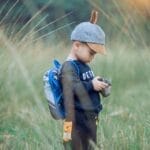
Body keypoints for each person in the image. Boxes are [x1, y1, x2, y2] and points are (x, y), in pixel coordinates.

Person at [60, 10, 109, 150]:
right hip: (75, 119)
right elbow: (71, 87)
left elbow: (85, 82)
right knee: (74, 146)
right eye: (91, 53)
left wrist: (96, 82)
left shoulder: (83, 65)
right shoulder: (68, 67)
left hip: (89, 117)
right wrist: (91, 84)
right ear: (77, 46)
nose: (92, 57)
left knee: (91, 145)